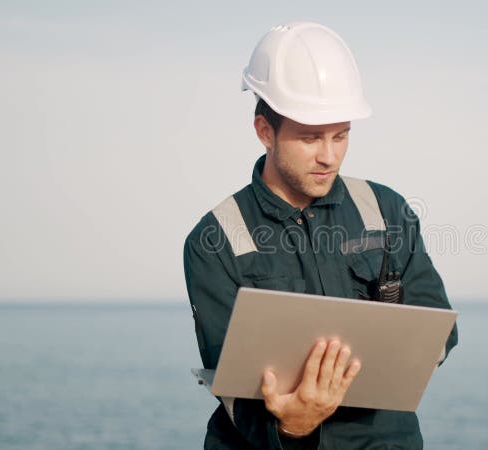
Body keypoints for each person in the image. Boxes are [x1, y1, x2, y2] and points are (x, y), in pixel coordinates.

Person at [183, 22, 458, 450]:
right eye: (310, 138)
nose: (328, 156)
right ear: (264, 131)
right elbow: (231, 384)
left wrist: (408, 354)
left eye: (341, 135)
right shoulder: (215, 238)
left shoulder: (386, 210)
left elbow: (437, 329)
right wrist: (292, 427)